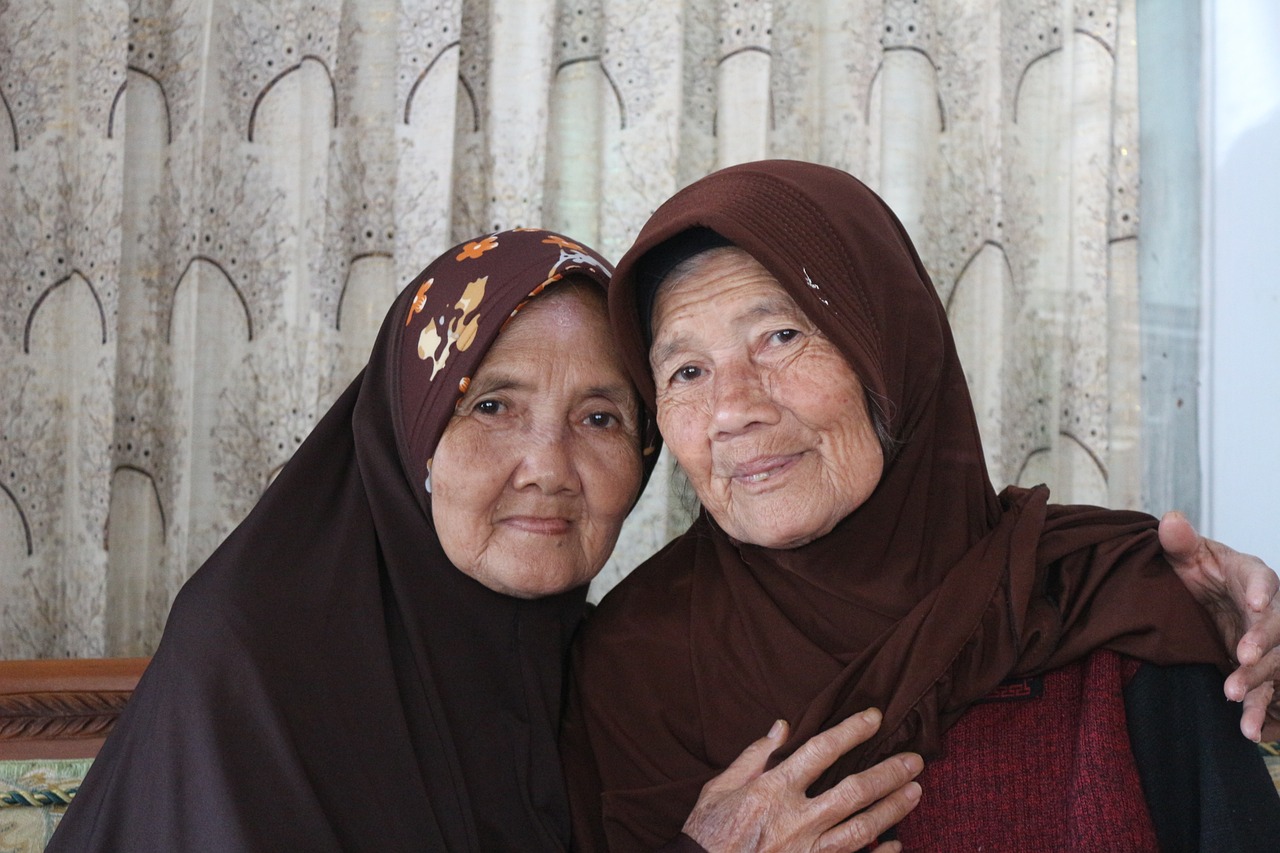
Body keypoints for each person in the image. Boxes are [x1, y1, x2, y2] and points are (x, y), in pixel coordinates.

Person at [46, 228, 923, 852]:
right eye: (492, 405)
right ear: (410, 433)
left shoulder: (602, 668)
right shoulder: (256, 661)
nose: (549, 466)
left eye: (601, 417)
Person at [561, 160, 1280, 851]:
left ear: (893, 355)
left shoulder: (1109, 601)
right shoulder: (632, 671)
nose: (731, 410)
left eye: (781, 336)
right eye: (687, 371)